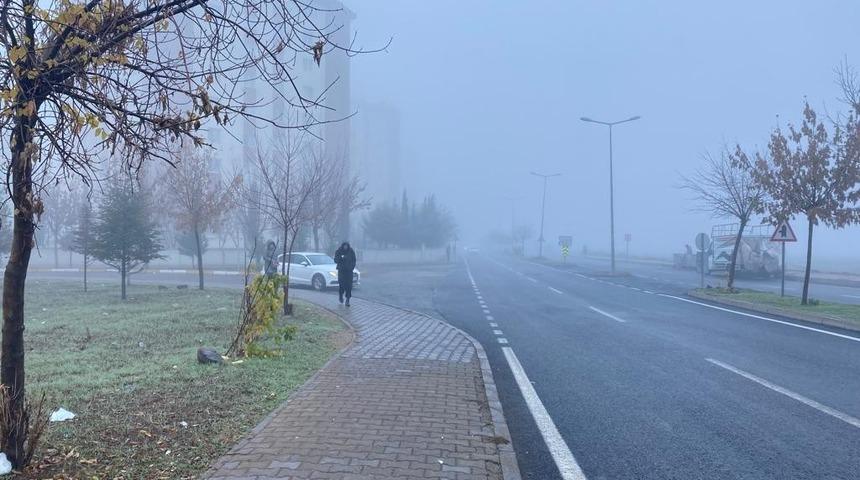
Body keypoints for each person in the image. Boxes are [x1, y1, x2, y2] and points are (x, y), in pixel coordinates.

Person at [334, 241, 356, 306]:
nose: (345, 247)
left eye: (347, 246)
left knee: (349, 286)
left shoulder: (351, 251)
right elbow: (335, 260)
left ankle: (347, 300)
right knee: (342, 285)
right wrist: (341, 258)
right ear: (342, 246)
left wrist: (351, 267)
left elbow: (354, 260)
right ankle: (341, 296)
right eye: (344, 246)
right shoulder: (339, 251)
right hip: (341, 271)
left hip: (349, 272)